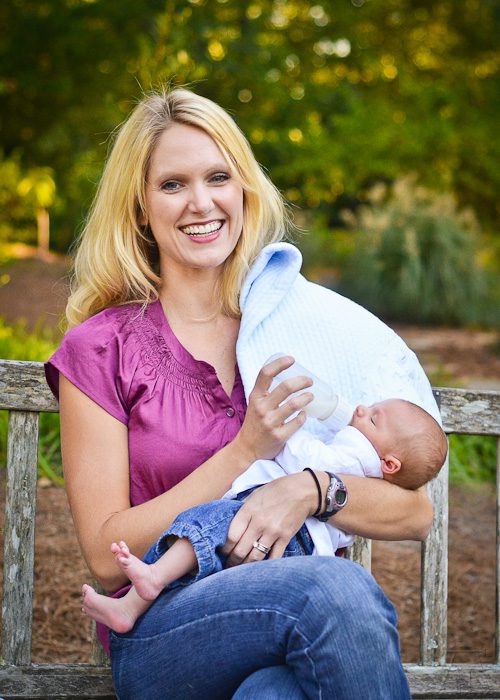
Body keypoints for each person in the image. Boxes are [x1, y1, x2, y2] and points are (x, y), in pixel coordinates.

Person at [44, 86, 439, 699]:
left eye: (218, 177)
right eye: (172, 184)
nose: (201, 203)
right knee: (334, 588)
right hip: (164, 628)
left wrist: (308, 490)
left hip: (291, 626)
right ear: (140, 207)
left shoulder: (297, 326)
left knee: (276, 694)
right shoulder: (102, 347)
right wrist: (245, 451)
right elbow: (103, 552)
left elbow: (415, 513)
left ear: (244, 189)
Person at [80, 397, 447, 635]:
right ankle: (137, 598)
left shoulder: (357, 455)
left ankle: (149, 583)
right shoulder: (370, 467)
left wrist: (282, 433)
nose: (362, 409)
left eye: (375, 418)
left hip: (288, 536)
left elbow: (307, 460)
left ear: (390, 463)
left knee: (205, 524)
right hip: (291, 548)